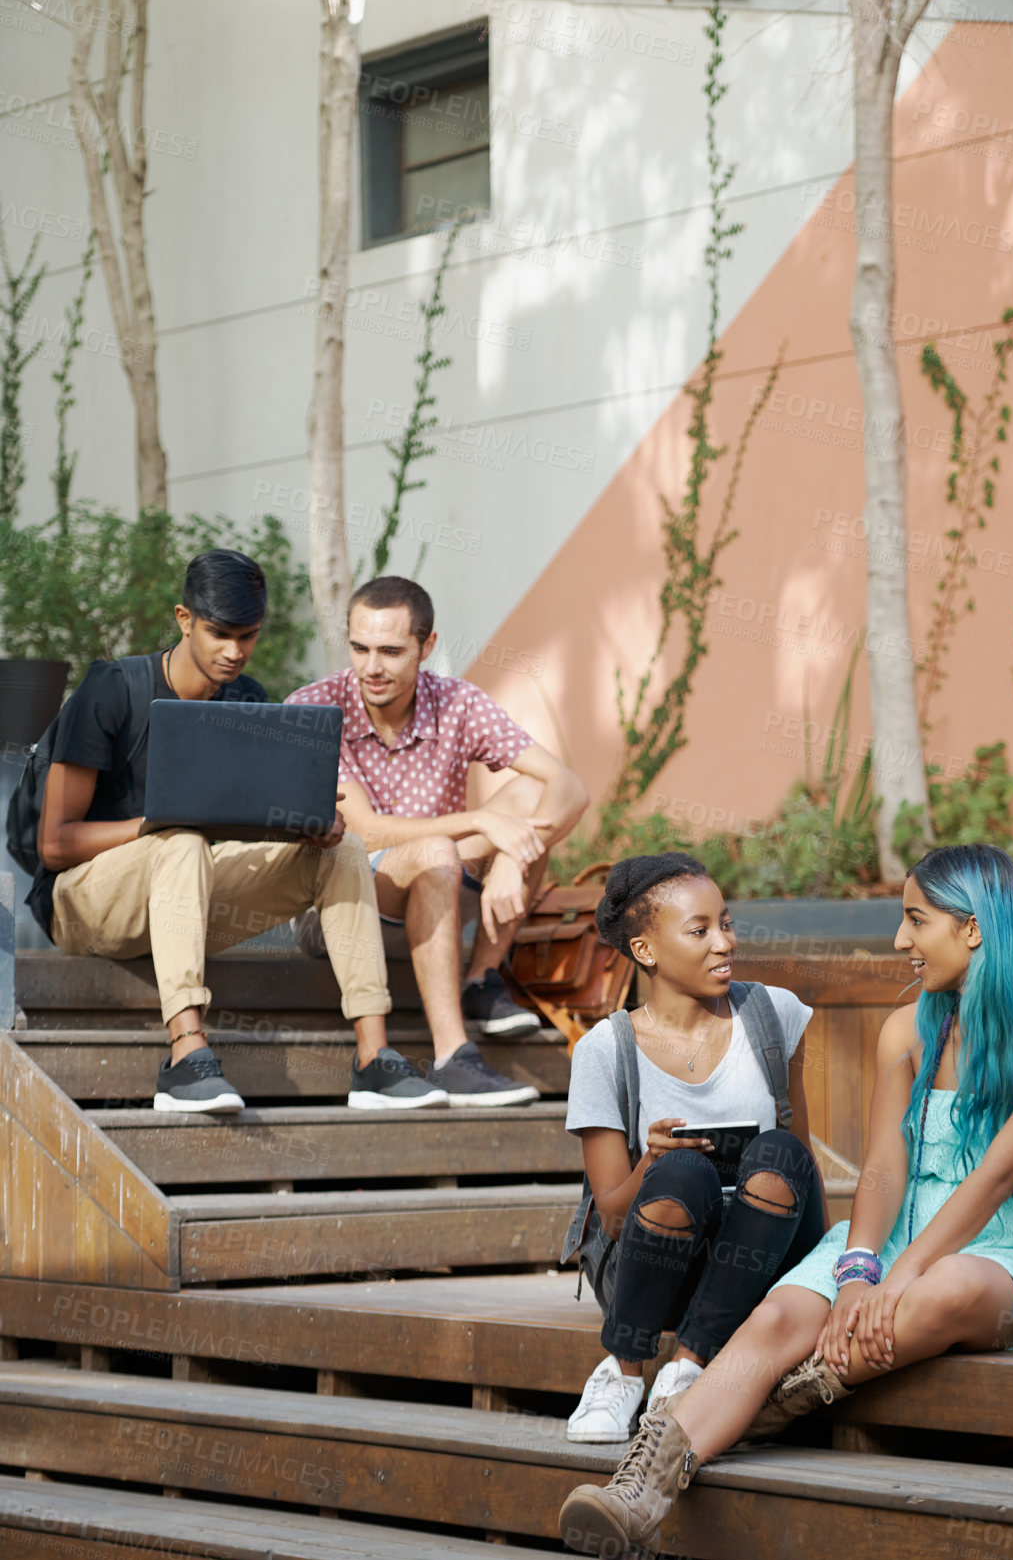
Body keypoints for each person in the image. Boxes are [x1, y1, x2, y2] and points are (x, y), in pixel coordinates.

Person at [559, 843, 1013, 1560]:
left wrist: (902, 1274)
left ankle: (758, 1407)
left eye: (914, 920)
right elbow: (885, 1167)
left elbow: (997, 1177)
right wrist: (861, 1266)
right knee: (772, 1320)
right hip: (891, 1234)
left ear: (973, 928)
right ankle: (635, 1498)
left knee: (942, 1289)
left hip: (1000, 1251)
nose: (899, 940)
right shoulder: (907, 1030)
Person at [31, 549, 441, 1116]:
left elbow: (248, 829)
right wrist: (159, 825)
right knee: (181, 840)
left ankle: (374, 1059)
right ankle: (185, 1056)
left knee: (340, 846)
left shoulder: (248, 700)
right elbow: (54, 844)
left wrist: (304, 830)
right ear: (184, 619)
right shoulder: (114, 689)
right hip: (83, 903)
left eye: (247, 636)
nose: (234, 652)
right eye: (220, 634)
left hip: (185, 898)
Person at [286, 576, 589, 1109]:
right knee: (440, 848)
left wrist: (511, 862)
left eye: (391, 651)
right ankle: (454, 1057)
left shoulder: (456, 701)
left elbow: (569, 788)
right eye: (360, 648)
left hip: (439, 895)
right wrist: (482, 825)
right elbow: (369, 830)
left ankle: (480, 978)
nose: (371, 667)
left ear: (427, 647)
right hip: (345, 909)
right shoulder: (315, 708)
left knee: (525, 801)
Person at [562, 852, 828, 1446]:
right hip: (661, 1262)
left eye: (726, 923)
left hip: (763, 1258)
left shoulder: (773, 1014)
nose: (723, 943)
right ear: (646, 951)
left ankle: (687, 1366)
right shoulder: (606, 1050)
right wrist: (651, 1162)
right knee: (682, 1171)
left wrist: (827, 1273)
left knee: (780, 1153)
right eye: (699, 930)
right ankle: (624, 1371)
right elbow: (609, 1212)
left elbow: (801, 1157)